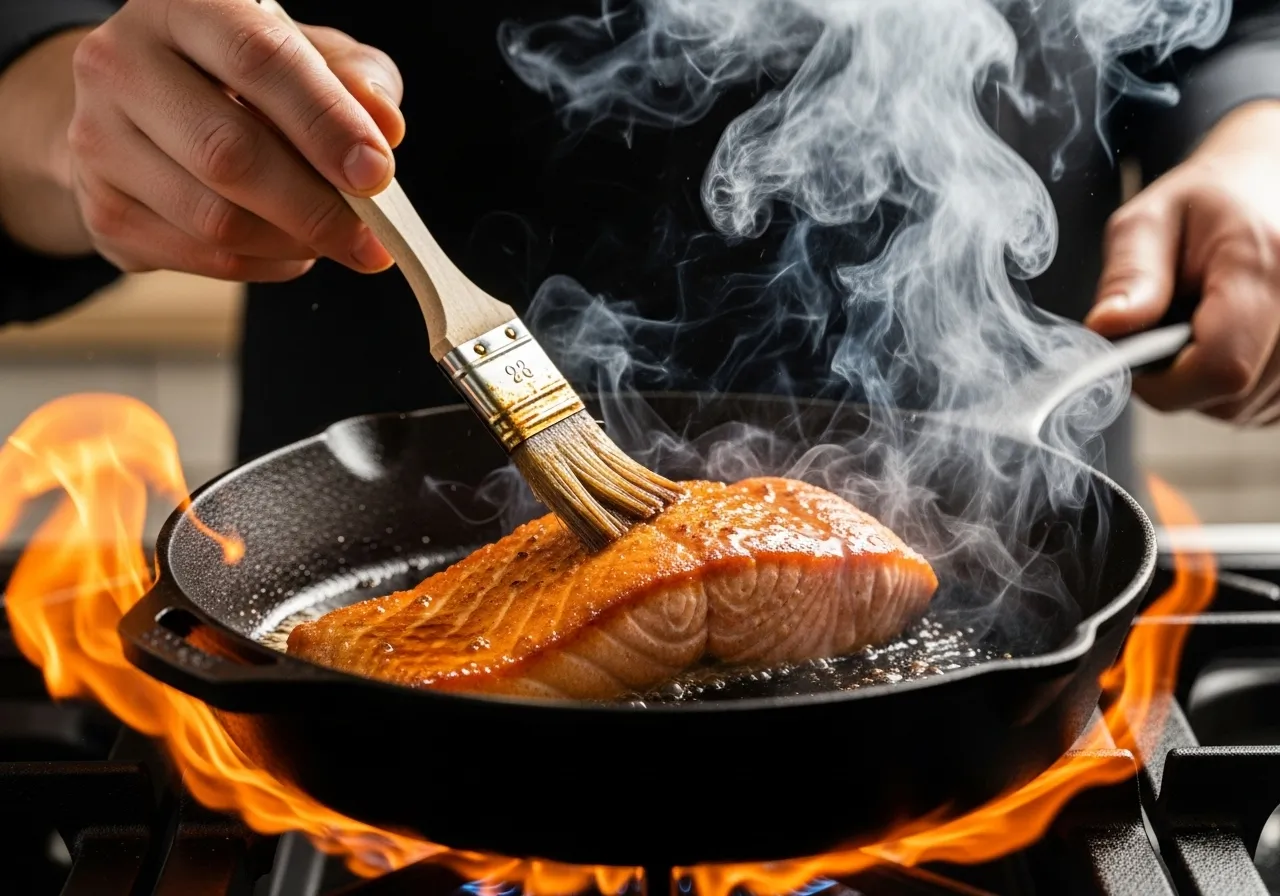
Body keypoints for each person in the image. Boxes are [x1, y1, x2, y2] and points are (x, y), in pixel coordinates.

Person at [0, 1, 1278, 491]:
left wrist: (1256, 138)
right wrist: (64, 111)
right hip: (378, 496)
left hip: (1003, 483)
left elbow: (1238, 20)